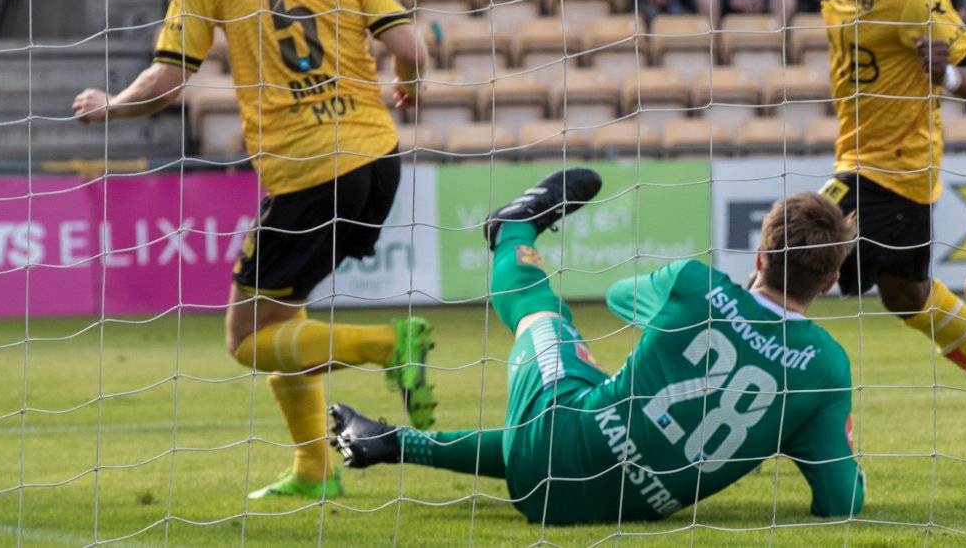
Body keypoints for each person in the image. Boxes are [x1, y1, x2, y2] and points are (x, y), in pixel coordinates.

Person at [71, 0, 433, 500]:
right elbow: (412, 44)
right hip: (377, 159)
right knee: (282, 323)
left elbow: (169, 80)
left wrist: (110, 107)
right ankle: (314, 470)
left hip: (305, 171)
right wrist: (410, 83)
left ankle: (387, 343)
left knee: (243, 338)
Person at [331, 170, 865, 523]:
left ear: (758, 256)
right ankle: (391, 442)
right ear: (831, 280)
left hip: (561, 445)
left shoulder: (693, 283)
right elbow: (841, 502)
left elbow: (616, 297)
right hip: (613, 505)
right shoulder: (827, 368)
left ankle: (512, 232)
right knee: (573, 419)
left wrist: (714, 310)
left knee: (549, 319)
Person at [782, 0, 966, 392]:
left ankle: (782, 405)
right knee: (905, 296)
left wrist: (946, 77)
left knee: (786, 259)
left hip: (891, 170)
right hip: (865, 159)